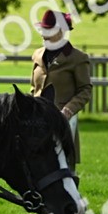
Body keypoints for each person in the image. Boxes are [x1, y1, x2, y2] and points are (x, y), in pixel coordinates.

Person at [31, 10, 91, 164]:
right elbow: (33, 88)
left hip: (62, 121)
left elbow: (85, 90)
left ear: (61, 31)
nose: (44, 35)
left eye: (48, 30)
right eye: (42, 30)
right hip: (36, 121)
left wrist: (68, 111)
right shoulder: (37, 55)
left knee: (62, 166)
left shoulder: (78, 58)